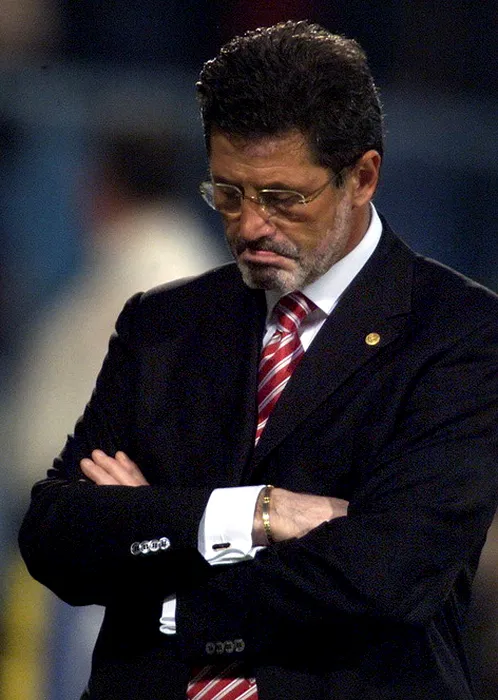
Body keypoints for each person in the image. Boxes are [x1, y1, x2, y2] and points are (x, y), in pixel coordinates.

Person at [18, 20, 498, 700]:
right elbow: (56, 535)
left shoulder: (461, 334)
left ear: (363, 176)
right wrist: (254, 514)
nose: (249, 226)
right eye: (228, 193)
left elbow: (386, 577)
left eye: (281, 198)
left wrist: (164, 579)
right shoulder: (163, 323)